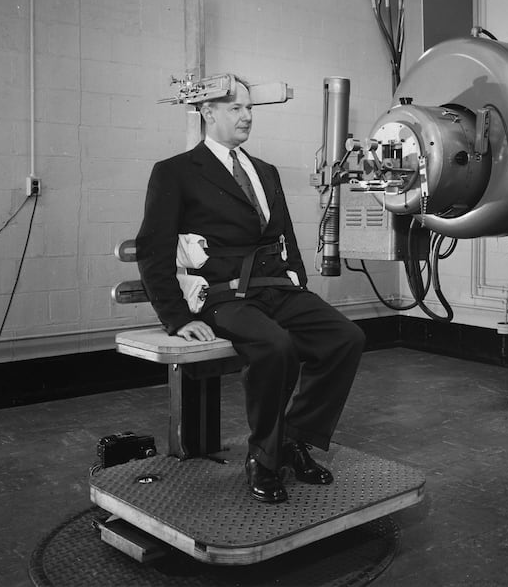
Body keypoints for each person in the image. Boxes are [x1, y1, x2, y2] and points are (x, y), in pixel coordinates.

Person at [135, 76, 365, 504]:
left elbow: (287, 239)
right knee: (275, 346)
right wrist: (179, 319)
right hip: (222, 295)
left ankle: (295, 437)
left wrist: (298, 283)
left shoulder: (265, 172)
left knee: (345, 338)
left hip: (275, 288)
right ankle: (263, 456)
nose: (246, 116)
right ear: (208, 112)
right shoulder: (177, 172)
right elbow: (153, 251)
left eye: (249, 109)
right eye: (235, 107)